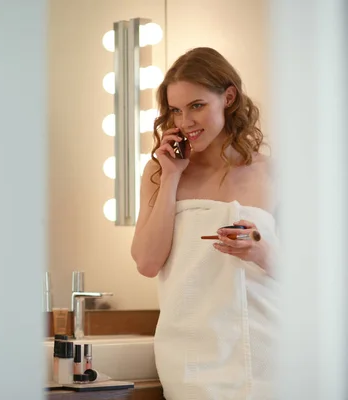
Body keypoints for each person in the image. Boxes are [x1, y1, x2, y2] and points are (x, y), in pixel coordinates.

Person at [130, 47, 279, 399]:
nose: (185, 122)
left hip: (269, 350)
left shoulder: (272, 173)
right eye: (175, 110)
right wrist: (171, 177)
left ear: (228, 98)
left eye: (197, 105)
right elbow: (147, 262)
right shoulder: (159, 172)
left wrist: (261, 250)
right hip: (192, 359)